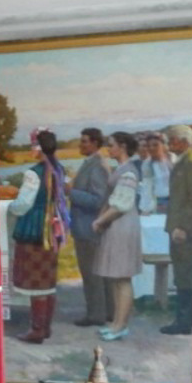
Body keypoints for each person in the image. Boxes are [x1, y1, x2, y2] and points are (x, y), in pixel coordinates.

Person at [9, 129, 69, 344]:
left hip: (35, 228)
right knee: (47, 278)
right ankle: (45, 327)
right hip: (52, 227)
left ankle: (37, 329)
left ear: (38, 148)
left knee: (36, 279)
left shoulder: (33, 173)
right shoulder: (58, 169)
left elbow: (23, 204)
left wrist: (11, 207)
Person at [91, 131, 144, 341]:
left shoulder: (129, 172)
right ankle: (116, 323)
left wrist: (100, 220)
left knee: (122, 278)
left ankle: (121, 325)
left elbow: (122, 204)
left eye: (111, 145)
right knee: (115, 277)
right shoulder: (121, 169)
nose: (108, 148)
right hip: (116, 226)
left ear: (122, 146)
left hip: (123, 226)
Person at [67, 127, 112, 327]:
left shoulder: (98, 166)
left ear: (94, 143)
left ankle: (96, 315)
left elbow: (98, 200)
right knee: (96, 273)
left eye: (84, 141)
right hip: (86, 226)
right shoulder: (91, 163)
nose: (81, 144)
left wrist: (71, 192)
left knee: (92, 273)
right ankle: (107, 312)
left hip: (89, 227)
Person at [162, 124, 192, 335]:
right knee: (183, 274)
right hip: (180, 230)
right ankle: (189, 319)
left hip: (185, 233)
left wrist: (183, 227)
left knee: (186, 275)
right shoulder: (185, 162)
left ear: (184, 141)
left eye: (172, 141)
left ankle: (185, 322)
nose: (169, 145)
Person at [138, 132, 172, 215]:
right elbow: (147, 187)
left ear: (163, 145)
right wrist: (145, 209)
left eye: (155, 145)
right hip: (160, 203)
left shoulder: (172, 160)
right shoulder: (147, 165)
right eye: (149, 146)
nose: (151, 148)